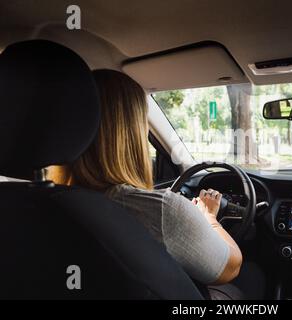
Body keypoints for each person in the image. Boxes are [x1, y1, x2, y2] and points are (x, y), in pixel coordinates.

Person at [47, 69, 244, 291]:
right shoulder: (161, 210)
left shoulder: (35, 203)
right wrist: (210, 218)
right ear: (131, 133)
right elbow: (230, 268)